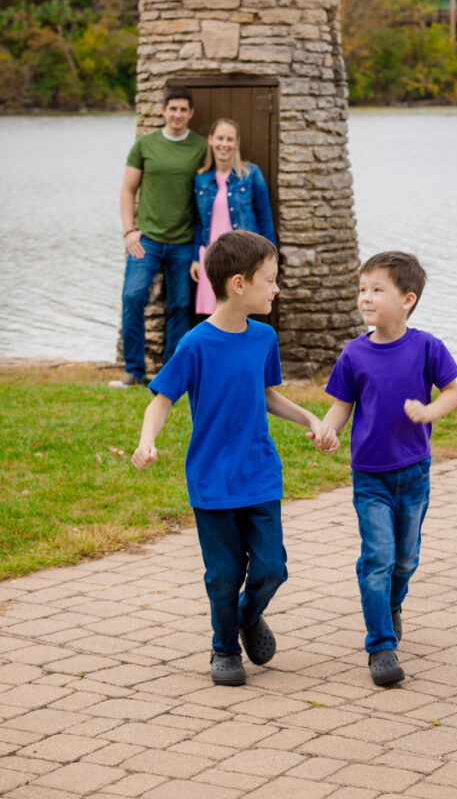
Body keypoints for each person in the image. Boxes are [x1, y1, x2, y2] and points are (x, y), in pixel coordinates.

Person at [131, 230, 339, 686]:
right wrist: (147, 440)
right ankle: (224, 649)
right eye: (271, 279)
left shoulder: (263, 337)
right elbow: (161, 399)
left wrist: (308, 418)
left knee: (272, 568)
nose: (277, 288)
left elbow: (266, 395)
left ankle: (247, 617)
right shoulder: (194, 345)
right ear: (240, 284)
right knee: (224, 574)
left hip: (259, 473)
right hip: (212, 480)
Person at [322, 251, 457, 687]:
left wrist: (429, 410)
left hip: (415, 473)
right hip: (370, 476)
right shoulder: (354, 354)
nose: (366, 297)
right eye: (363, 289)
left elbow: (452, 392)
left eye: (377, 290)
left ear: (407, 299)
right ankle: (381, 645)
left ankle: (392, 604)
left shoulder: (427, 347)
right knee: (377, 558)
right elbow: (341, 405)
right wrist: (328, 430)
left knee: (405, 559)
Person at [110, 88, 207, 388]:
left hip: (183, 242)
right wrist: (129, 232)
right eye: (172, 108)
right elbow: (128, 189)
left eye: (183, 109)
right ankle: (134, 371)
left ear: (191, 113)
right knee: (132, 297)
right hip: (146, 241)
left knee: (179, 307)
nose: (177, 114)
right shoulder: (145, 144)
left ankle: (169, 374)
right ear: (163, 110)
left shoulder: (202, 147)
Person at [191, 119, 275, 315]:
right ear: (211, 140)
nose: (224, 144)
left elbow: (265, 217)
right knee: (214, 315)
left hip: (244, 257)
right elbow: (198, 221)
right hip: (211, 257)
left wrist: (271, 258)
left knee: (241, 311)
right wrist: (196, 257)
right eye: (220, 138)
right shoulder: (200, 178)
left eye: (230, 139)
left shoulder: (251, 174)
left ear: (236, 143)